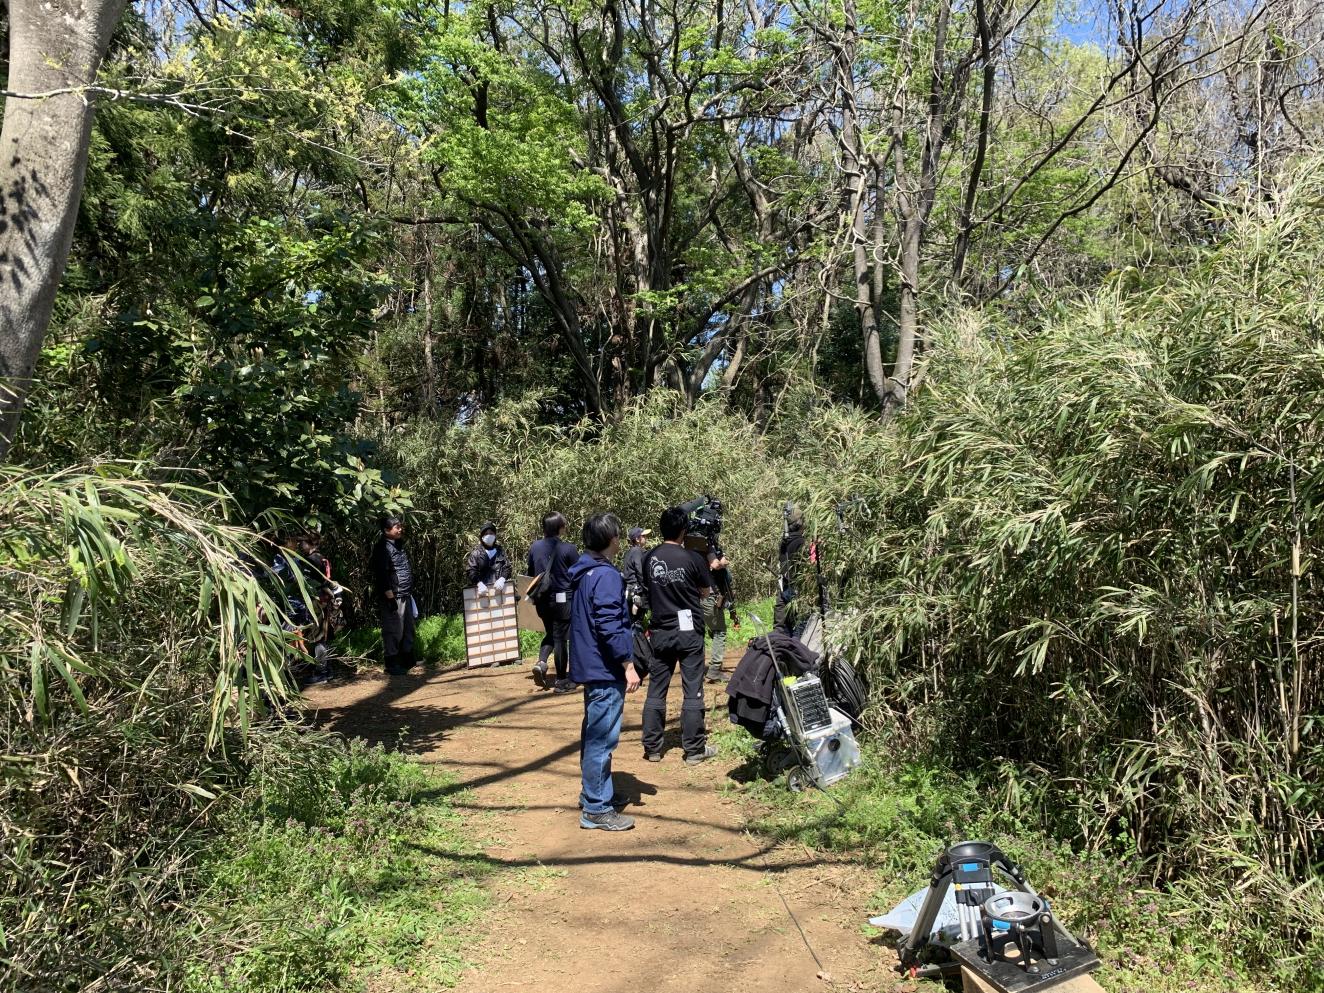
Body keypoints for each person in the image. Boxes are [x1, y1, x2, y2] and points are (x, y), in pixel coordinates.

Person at [568, 513, 641, 831]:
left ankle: (593, 795)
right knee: (602, 737)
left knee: (593, 732)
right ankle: (597, 807)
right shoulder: (606, 576)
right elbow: (609, 625)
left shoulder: (584, 572)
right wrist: (627, 663)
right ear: (613, 540)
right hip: (604, 667)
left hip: (590, 664)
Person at [641, 506, 718, 765]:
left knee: (656, 689)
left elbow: (646, 591)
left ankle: (652, 748)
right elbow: (706, 592)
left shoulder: (648, 558)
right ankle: (694, 749)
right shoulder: (692, 559)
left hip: (660, 631)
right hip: (689, 633)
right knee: (692, 689)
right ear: (684, 530)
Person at [527, 511, 580, 692]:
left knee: (552, 632)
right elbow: (578, 573)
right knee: (561, 638)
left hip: (542, 599)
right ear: (560, 527)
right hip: (562, 599)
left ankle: (541, 663)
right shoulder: (568, 548)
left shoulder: (535, 547)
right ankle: (561, 679)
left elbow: (531, 572)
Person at [368, 513, 416, 676]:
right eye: (397, 527)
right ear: (386, 530)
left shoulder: (398, 544)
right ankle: (391, 662)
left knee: (408, 627)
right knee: (394, 629)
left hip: (405, 593)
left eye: (400, 526)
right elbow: (381, 574)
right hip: (393, 595)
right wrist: (389, 597)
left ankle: (407, 658)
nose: (400, 529)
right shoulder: (381, 548)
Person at [701, 545, 733, 683]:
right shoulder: (707, 548)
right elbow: (715, 565)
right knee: (719, 632)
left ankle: (697, 669)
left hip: (692, 596)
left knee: (698, 632)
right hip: (708, 595)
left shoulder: (688, 550)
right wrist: (724, 562)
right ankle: (714, 670)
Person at [775, 504, 807, 634]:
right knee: (800, 626)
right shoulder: (800, 542)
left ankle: (787, 652)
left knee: (787, 626)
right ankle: (797, 651)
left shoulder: (784, 542)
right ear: (800, 523)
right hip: (797, 589)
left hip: (786, 588)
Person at [465, 521, 513, 595]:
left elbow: (507, 568)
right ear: (482, 537)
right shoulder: (476, 553)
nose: (489, 535)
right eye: (486, 534)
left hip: (499, 591)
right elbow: (471, 571)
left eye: (491, 533)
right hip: (482, 592)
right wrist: (479, 584)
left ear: (495, 535)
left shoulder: (500, 551)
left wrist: (502, 579)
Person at [621, 526, 652, 618]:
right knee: (638, 621)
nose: (646, 538)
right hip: (636, 592)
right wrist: (648, 588)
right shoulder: (637, 551)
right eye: (644, 536)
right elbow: (640, 572)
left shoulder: (630, 551)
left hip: (630, 591)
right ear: (637, 539)